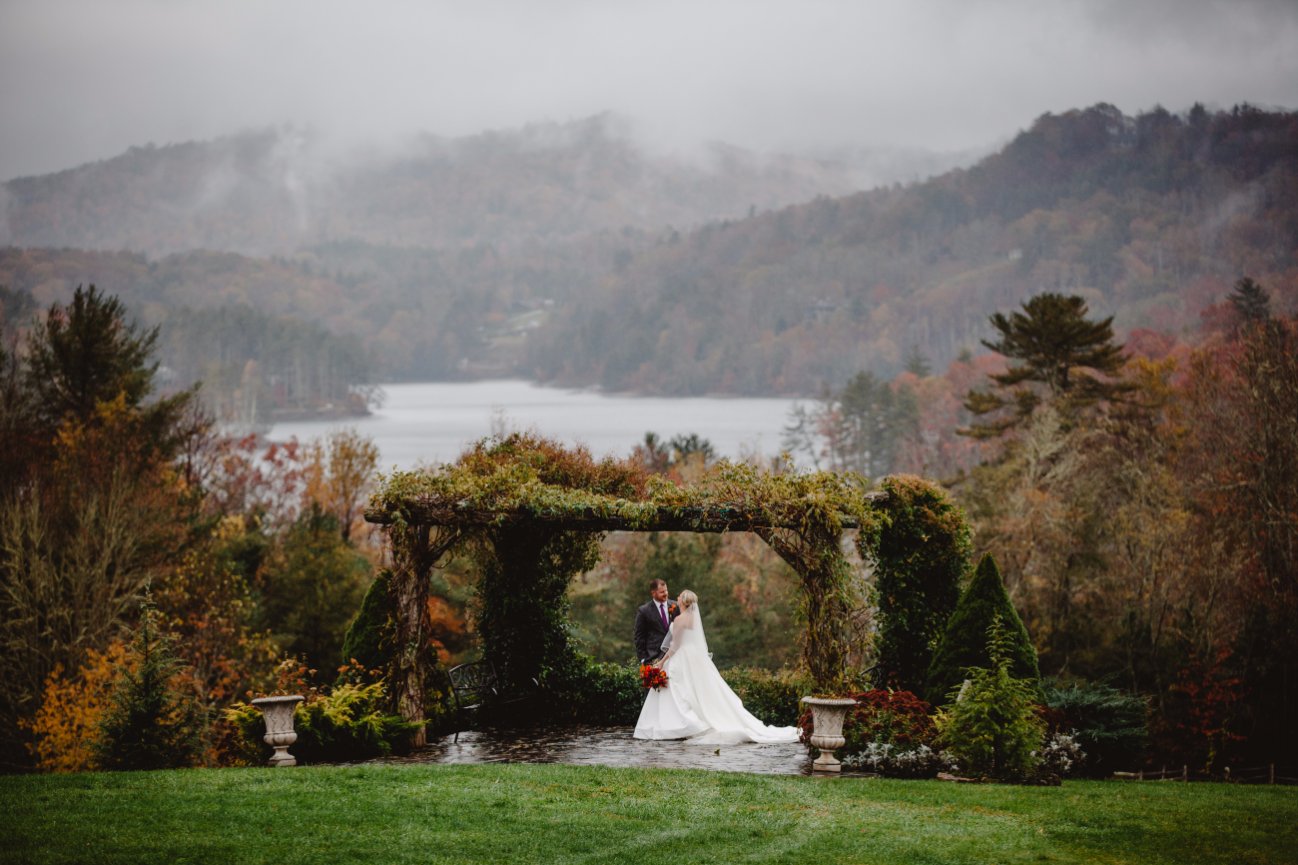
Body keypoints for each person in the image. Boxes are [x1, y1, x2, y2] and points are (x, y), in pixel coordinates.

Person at [633, 590, 799, 744]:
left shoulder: (679, 619)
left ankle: (683, 725)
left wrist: (661, 662)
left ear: (683, 602)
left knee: (678, 689)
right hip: (696, 657)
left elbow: (675, 645)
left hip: (682, 657)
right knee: (697, 690)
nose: (676, 598)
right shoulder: (692, 619)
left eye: (679, 597)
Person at [633, 578, 677, 665]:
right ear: (653, 593)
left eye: (666, 591)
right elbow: (639, 637)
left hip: (674, 656)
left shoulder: (676, 606)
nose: (666, 594)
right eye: (662, 592)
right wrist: (643, 659)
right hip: (653, 658)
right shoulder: (644, 611)